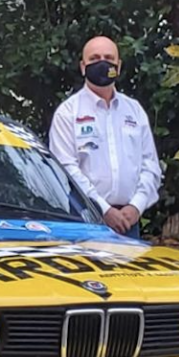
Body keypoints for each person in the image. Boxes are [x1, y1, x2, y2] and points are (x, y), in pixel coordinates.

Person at [49, 35, 162, 239]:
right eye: (94, 59)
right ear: (83, 67)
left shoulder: (134, 111)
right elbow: (66, 169)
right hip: (84, 220)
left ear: (118, 66)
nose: (102, 63)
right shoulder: (68, 113)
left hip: (128, 223)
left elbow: (150, 165)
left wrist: (136, 207)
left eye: (109, 58)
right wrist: (103, 210)